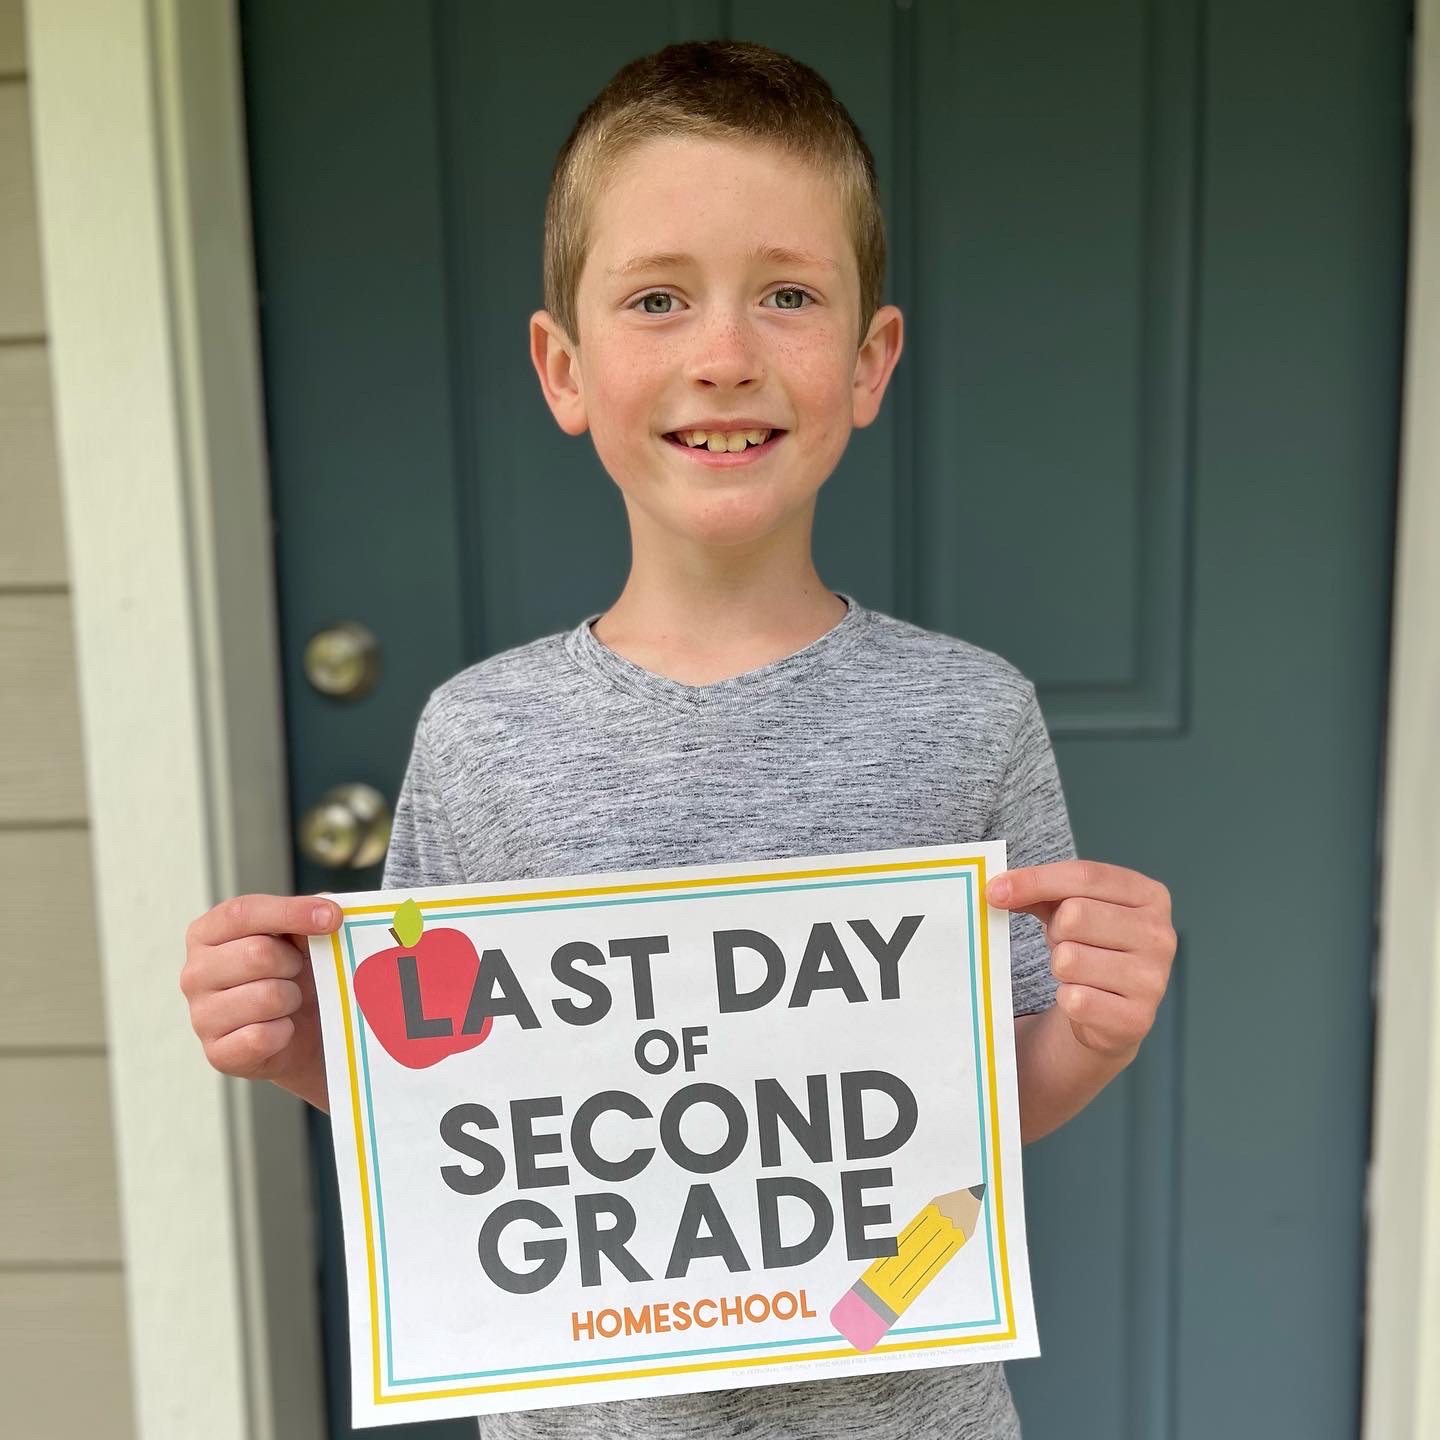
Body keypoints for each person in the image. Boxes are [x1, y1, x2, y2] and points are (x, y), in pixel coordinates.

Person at [181, 38, 1176, 1439]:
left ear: (870, 360)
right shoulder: (479, 738)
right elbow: (453, 1107)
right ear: (565, 368)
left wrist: (1091, 1037)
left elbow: (975, 1114)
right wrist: (297, 1047)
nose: (724, 357)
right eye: (658, 299)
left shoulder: (971, 715)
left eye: (788, 296)